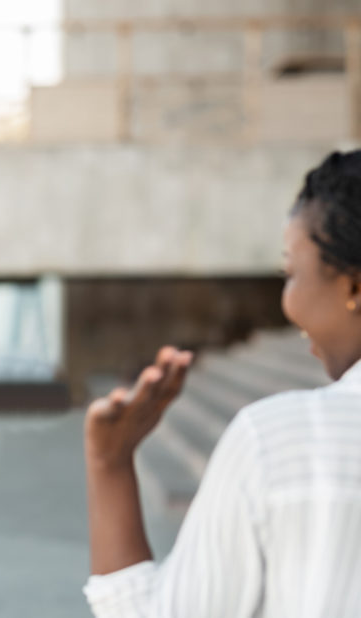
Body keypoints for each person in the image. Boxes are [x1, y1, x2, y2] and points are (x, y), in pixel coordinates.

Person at [82, 150, 361, 617]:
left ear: (354, 288)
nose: (287, 303)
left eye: (290, 273)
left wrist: (108, 464)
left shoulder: (281, 441)